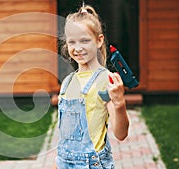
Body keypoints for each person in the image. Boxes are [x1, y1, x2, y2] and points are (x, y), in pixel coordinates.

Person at [55, 3, 129, 169]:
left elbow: (121, 134)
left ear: (98, 40)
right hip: (64, 161)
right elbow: (65, 137)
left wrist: (119, 104)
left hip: (91, 164)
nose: (78, 48)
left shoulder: (105, 80)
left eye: (85, 40)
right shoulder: (67, 82)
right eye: (72, 42)